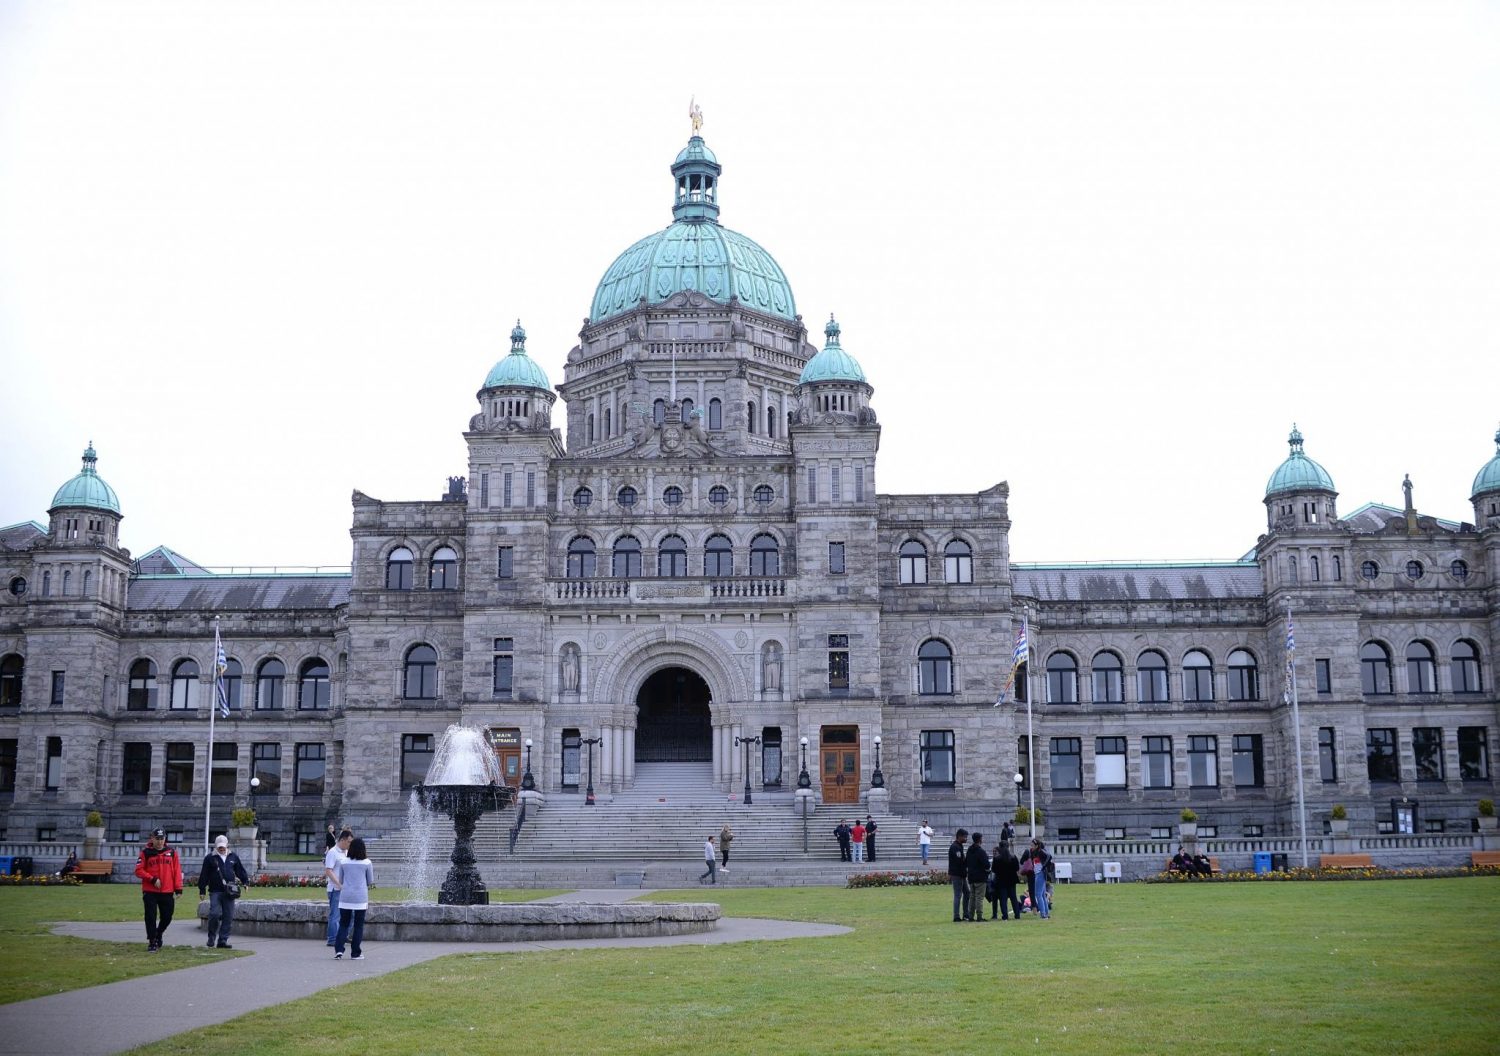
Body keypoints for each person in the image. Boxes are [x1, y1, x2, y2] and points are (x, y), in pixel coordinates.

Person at [133, 828, 183, 952]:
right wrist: (152, 879)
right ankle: (152, 941)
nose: (160, 841)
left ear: (165, 839)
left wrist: (178, 888)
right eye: (157, 839)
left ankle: (158, 933)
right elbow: (138, 870)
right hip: (150, 891)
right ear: (152, 838)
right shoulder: (146, 853)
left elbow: (177, 871)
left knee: (167, 916)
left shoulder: (172, 852)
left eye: (162, 839)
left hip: (167, 890)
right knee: (150, 916)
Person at [198, 834, 250, 948]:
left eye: (223, 846)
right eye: (219, 847)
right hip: (215, 891)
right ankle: (211, 937)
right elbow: (204, 875)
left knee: (228, 916)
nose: (221, 848)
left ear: (227, 845)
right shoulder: (209, 858)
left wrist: (245, 882)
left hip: (230, 892)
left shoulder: (233, 857)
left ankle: (223, 940)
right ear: (216, 846)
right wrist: (202, 890)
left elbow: (240, 870)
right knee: (214, 914)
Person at [332, 837, 374, 960]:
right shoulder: (367, 863)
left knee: (344, 924)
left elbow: (340, 880)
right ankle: (355, 952)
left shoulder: (344, 862)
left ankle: (339, 950)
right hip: (360, 897)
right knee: (358, 925)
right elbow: (370, 880)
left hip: (345, 896)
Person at [324, 829, 352, 947]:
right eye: (349, 842)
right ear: (342, 840)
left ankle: (343, 936)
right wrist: (339, 884)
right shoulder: (333, 852)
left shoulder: (345, 852)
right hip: (335, 889)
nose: (350, 844)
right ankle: (332, 939)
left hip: (345, 888)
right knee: (335, 914)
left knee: (348, 914)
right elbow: (328, 871)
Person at [991, 841, 1023, 920]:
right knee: (1013, 898)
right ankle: (1017, 914)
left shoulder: (997, 858)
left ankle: (1005, 915)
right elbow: (1017, 868)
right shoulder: (1013, 857)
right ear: (1008, 846)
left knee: (1003, 898)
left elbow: (994, 869)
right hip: (1012, 880)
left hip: (1001, 880)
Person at [1021, 838, 1052, 919]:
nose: (1031, 846)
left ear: (1037, 845)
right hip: (1037, 873)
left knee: (1038, 895)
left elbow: (1049, 856)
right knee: (1041, 895)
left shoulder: (1040, 851)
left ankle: (1043, 914)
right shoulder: (1032, 851)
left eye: (1032, 845)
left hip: (1041, 874)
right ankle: (1046, 913)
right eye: (1031, 845)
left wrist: (1044, 866)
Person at [964, 832, 990, 921]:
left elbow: (966, 862)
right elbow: (986, 865)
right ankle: (979, 916)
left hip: (971, 876)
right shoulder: (981, 851)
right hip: (980, 877)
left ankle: (970, 915)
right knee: (979, 898)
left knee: (972, 897)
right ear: (980, 839)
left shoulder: (969, 850)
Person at [946, 828, 969, 922]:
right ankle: (956, 916)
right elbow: (959, 860)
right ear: (959, 836)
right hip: (957, 874)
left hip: (961, 874)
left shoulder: (959, 846)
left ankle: (966, 914)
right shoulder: (955, 847)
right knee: (958, 895)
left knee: (967, 893)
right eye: (965, 837)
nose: (966, 839)